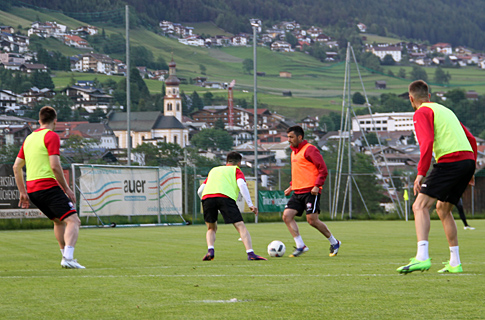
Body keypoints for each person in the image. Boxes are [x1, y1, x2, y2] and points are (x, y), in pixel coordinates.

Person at [397, 80, 477, 274]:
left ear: (411, 98)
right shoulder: (446, 111)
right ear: (429, 96)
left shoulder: (421, 112)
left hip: (450, 161)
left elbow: (427, 142)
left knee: (419, 206)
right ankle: (455, 262)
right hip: (467, 161)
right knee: (442, 209)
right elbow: (472, 139)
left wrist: (421, 173)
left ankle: (422, 257)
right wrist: (471, 170)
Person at [13, 106, 85, 269]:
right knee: (74, 221)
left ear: (39, 121)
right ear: (55, 120)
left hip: (32, 190)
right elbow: (54, 166)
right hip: (48, 186)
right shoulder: (51, 136)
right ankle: (68, 258)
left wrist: (23, 192)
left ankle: (66, 257)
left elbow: (16, 167)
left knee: (59, 221)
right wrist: (66, 188)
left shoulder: (29, 138)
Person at [283, 125, 341, 258]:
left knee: (312, 220)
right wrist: (291, 186)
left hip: (311, 191)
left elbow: (323, 169)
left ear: (300, 137)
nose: (289, 140)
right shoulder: (293, 152)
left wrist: (317, 185)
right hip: (297, 192)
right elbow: (300, 172)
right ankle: (300, 245)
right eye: (288, 137)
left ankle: (334, 242)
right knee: (287, 216)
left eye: (291, 137)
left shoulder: (310, 149)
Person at [197, 151, 267, 261]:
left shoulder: (214, 170)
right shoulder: (236, 170)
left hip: (207, 198)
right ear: (239, 163)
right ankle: (251, 253)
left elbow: (200, 190)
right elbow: (241, 184)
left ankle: (210, 250)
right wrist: (250, 204)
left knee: (211, 228)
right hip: (225, 197)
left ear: (226, 162)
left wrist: (204, 200)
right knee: (240, 226)